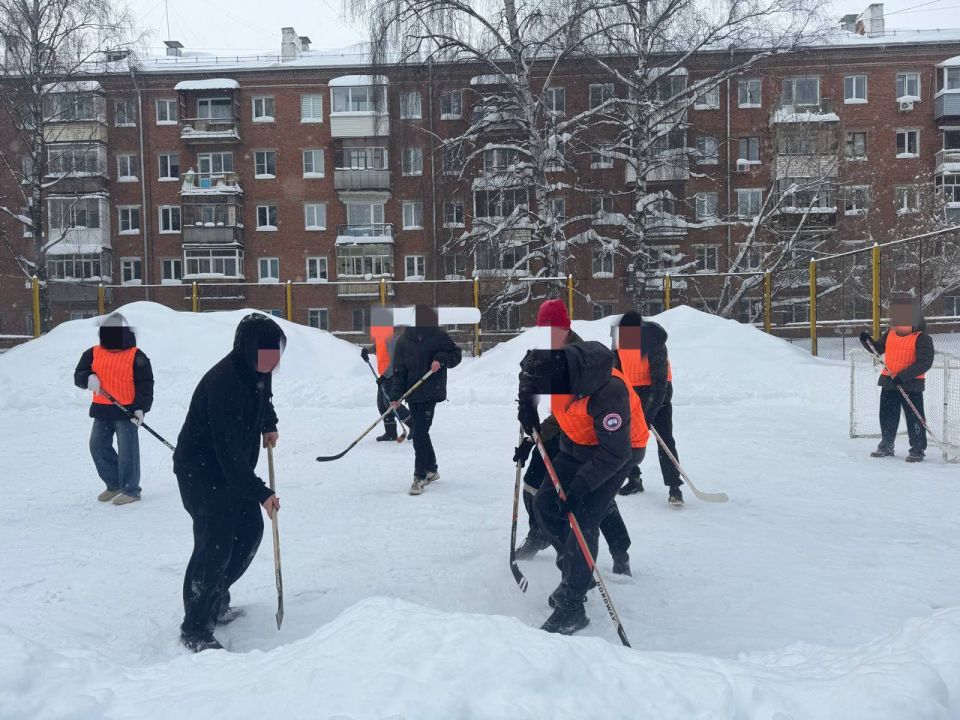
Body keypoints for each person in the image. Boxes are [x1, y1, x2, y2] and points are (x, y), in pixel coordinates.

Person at [518, 339, 648, 636]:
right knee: (545, 505)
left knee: (583, 519)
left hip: (619, 450)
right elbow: (527, 380)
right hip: (577, 442)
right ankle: (578, 572)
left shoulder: (608, 390)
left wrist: (581, 486)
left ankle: (572, 607)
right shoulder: (551, 366)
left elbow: (615, 453)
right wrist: (527, 413)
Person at [173, 313, 286, 652]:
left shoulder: (257, 370)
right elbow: (229, 455)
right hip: (202, 472)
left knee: (249, 531)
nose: (273, 363)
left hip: (231, 472)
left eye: (277, 354)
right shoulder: (223, 385)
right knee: (216, 543)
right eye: (267, 355)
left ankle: (216, 598)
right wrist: (262, 493)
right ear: (248, 349)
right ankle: (195, 626)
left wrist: (268, 422)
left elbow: (264, 396)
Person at [513, 299, 632, 576]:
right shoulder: (549, 352)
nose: (547, 333)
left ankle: (619, 550)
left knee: (595, 499)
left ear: (565, 327)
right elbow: (547, 400)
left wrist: (545, 432)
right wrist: (532, 430)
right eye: (543, 328)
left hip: (587, 437)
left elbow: (579, 409)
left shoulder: (580, 357)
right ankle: (541, 535)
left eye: (552, 328)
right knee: (534, 485)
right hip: (563, 431)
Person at [73, 313, 154, 505]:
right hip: (102, 410)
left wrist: (140, 409)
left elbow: (145, 384)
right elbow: (79, 374)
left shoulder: (136, 355)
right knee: (97, 446)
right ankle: (114, 483)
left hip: (127, 412)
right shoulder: (93, 353)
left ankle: (131, 490)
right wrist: (87, 378)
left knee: (128, 453)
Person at [390, 305, 462, 495]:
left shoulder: (439, 337)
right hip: (412, 394)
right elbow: (399, 371)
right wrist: (396, 396)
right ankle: (431, 469)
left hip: (431, 391)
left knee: (419, 433)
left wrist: (441, 358)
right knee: (421, 432)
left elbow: (456, 354)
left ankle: (419, 476)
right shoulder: (404, 341)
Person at [614, 311, 684, 505]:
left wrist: (650, 412)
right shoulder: (620, 340)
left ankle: (674, 487)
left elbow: (660, 382)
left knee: (665, 439)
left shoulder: (654, 342)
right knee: (627, 438)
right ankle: (634, 479)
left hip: (658, 394)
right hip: (632, 395)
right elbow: (616, 370)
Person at [859, 297, 934, 462]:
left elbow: (924, 363)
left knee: (914, 418)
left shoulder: (922, 338)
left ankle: (917, 449)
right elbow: (878, 349)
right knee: (887, 416)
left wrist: (903, 376)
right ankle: (886, 445)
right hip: (889, 382)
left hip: (911, 385)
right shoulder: (890, 334)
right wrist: (867, 341)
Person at [360, 307, 412, 442]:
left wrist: (385, 376)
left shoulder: (392, 339)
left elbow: (395, 360)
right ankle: (390, 433)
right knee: (382, 405)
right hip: (385, 375)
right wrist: (367, 351)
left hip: (393, 375)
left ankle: (415, 426)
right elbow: (377, 348)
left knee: (393, 404)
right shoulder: (381, 337)